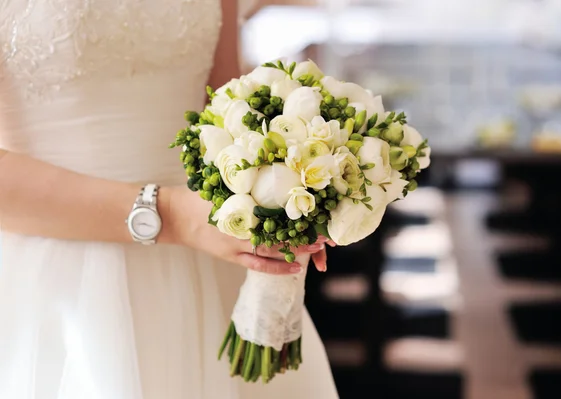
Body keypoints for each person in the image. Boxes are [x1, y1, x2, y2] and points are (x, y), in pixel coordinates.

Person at [0, 0, 339, 397]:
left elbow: (222, 107)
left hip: (210, 260)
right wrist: (176, 216)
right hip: (55, 273)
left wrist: (279, 192)